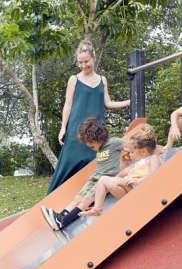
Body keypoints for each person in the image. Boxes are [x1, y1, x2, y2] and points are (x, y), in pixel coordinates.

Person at [47, 39, 130, 194]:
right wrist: (63, 128)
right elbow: (68, 104)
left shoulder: (102, 80)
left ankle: (90, 199)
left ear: (94, 57)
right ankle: (55, 197)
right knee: (68, 164)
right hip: (76, 131)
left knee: (96, 165)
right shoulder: (74, 79)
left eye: (86, 61)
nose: (83, 65)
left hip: (97, 132)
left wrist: (130, 101)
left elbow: (108, 103)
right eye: (80, 62)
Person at [41, 117, 124, 231]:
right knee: (78, 197)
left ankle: (63, 222)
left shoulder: (115, 143)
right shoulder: (99, 149)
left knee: (86, 200)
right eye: (87, 142)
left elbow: (133, 146)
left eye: (90, 142)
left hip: (103, 181)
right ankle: (60, 216)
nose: (88, 145)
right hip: (95, 177)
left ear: (99, 136)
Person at [81, 133, 162, 217]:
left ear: (143, 152)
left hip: (142, 188)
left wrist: (139, 181)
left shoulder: (152, 158)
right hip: (130, 189)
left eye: (132, 152)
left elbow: (154, 174)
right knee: (107, 182)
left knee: (105, 180)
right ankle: (97, 209)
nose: (130, 154)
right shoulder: (135, 165)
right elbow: (120, 174)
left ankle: (98, 209)